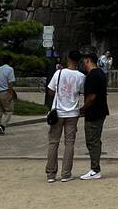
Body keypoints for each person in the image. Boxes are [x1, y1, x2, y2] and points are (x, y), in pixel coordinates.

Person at [45, 50, 85, 183]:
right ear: (79, 60)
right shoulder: (81, 76)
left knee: (53, 142)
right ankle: (66, 173)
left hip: (58, 112)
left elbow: (50, 91)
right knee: (69, 144)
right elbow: (82, 92)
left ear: (68, 58)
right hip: (73, 113)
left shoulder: (59, 73)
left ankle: (51, 173)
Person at [80, 51, 109, 179]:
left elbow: (91, 96)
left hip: (94, 111)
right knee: (95, 139)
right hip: (101, 110)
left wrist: (82, 108)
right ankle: (95, 168)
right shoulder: (101, 73)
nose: (83, 65)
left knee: (92, 140)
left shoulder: (92, 75)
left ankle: (95, 169)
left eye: (84, 62)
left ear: (87, 61)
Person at [0, 54, 16, 135]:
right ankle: (2, 126)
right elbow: (10, 83)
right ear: (10, 61)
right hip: (5, 92)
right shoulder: (10, 69)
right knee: (9, 111)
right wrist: (11, 94)